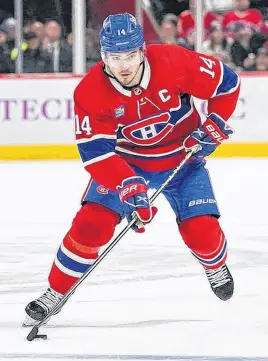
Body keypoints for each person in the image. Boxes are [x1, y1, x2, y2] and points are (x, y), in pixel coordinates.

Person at [23, 13, 240, 327]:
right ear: (103, 57)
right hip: (127, 164)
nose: (123, 65)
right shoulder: (90, 91)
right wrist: (129, 186)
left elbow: (227, 84)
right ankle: (55, 292)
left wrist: (215, 123)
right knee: (90, 225)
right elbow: (96, 154)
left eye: (129, 55)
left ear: (142, 51)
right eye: (114, 57)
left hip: (182, 161)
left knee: (202, 232)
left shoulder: (174, 61)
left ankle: (215, 264)